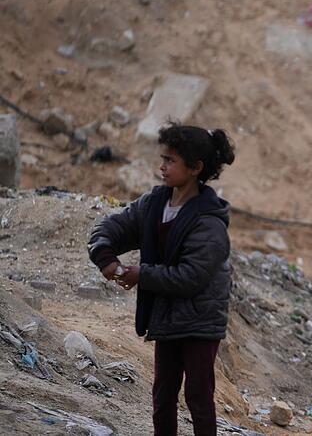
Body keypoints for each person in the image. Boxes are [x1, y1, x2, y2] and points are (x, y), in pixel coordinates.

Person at [88, 124, 235, 436]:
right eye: (163, 158)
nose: (162, 167)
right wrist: (105, 257)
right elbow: (114, 226)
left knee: (198, 395)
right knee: (163, 393)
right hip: (166, 316)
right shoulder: (155, 204)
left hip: (199, 321)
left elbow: (191, 277)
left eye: (170, 161)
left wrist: (143, 274)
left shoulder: (209, 223)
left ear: (196, 168)